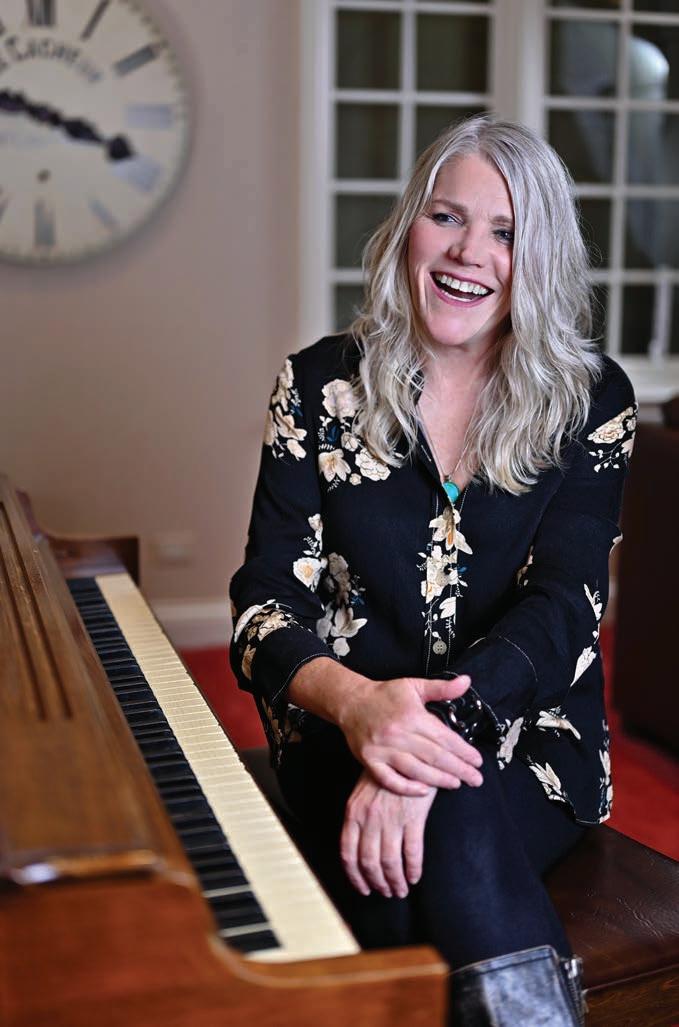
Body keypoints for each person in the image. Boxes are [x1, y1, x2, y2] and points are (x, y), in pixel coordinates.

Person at [229, 115, 636, 1025]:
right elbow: (262, 604)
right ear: (407, 225)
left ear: (540, 259)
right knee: (407, 867)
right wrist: (359, 706)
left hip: (529, 740)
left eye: (506, 232)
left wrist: (419, 741)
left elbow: (564, 605)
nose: (467, 253)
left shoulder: (590, 400)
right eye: (446, 216)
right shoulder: (316, 387)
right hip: (340, 730)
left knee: (431, 829)